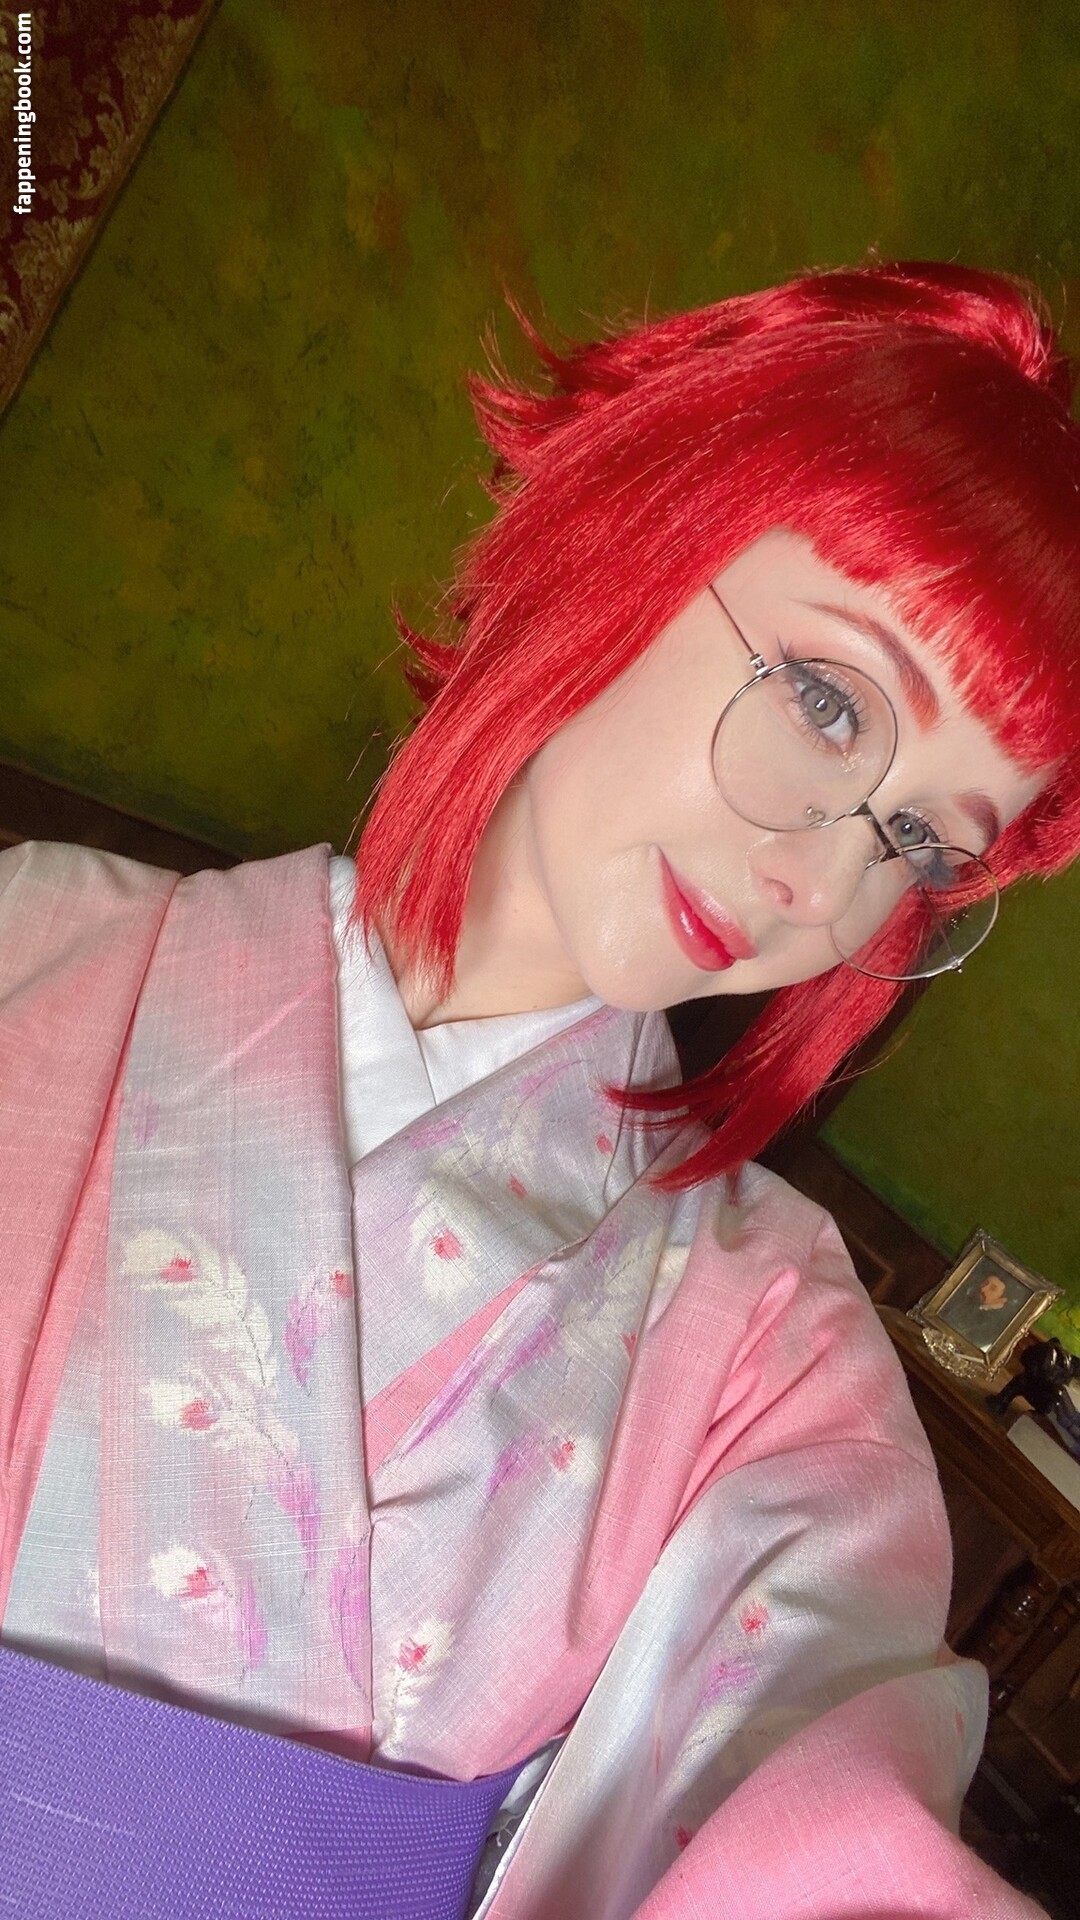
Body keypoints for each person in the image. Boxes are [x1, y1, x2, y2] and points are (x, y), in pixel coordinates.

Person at [1, 259, 1078, 1919]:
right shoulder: (33, 947)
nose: (825, 887)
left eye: (922, 843)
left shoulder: (774, 1357)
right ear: (641, 531)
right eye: (826, 701)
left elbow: (817, 1801)